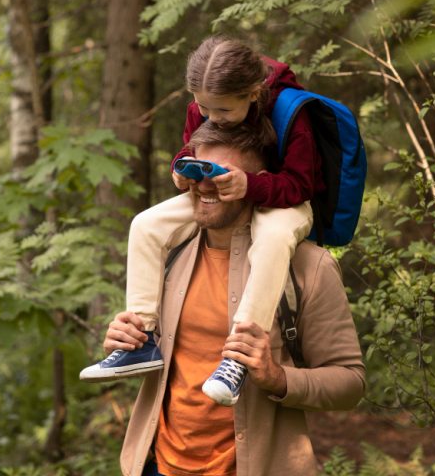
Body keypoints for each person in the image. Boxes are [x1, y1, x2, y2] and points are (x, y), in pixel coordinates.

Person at [109, 123, 365, 476]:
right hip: (155, 465)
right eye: (196, 170)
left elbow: (350, 383)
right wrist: (129, 337)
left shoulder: (309, 267)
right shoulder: (168, 253)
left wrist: (277, 378)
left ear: (257, 181)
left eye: (219, 175)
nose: (203, 185)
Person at [80, 36, 322, 407]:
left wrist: (251, 184)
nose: (211, 118)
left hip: (278, 200)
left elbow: (303, 183)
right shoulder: (206, 106)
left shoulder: (290, 109)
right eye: (202, 107)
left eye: (223, 111)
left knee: (273, 238)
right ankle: (142, 340)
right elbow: (192, 145)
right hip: (219, 193)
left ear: (254, 93)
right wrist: (181, 169)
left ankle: (238, 357)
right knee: (145, 224)